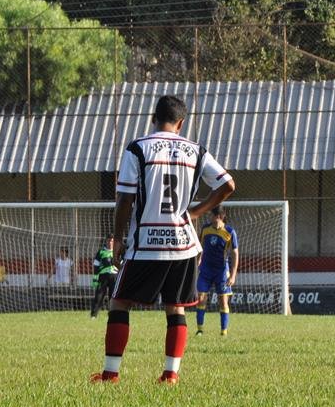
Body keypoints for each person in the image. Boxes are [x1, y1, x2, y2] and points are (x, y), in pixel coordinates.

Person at [91, 94, 236, 385]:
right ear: (180, 123)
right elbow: (228, 184)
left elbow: (125, 199)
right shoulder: (196, 151)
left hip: (146, 243)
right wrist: (196, 212)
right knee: (176, 306)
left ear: (153, 119)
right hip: (183, 244)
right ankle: (170, 374)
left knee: (119, 302)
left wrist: (117, 238)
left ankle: (110, 374)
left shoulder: (138, 148)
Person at [195, 206, 239, 336]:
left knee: (223, 301)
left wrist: (233, 275)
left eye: (211, 215)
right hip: (205, 270)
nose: (209, 217)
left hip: (221, 272)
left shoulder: (230, 232)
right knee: (201, 298)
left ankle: (223, 332)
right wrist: (198, 259)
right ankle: (200, 330)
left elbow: (235, 253)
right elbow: (200, 246)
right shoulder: (205, 229)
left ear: (218, 216)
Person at [89, 234, 118, 318]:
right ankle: (93, 315)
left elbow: (121, 264)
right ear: (106, 241)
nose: (110, 242)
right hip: (103, 277)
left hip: (114, 276)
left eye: (112, 241)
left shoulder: (117, 252)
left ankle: (112, 314)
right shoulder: (101, 252)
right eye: (109, 241)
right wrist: (95, 279)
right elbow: (96, 266)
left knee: (113, 297)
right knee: (99, 295)